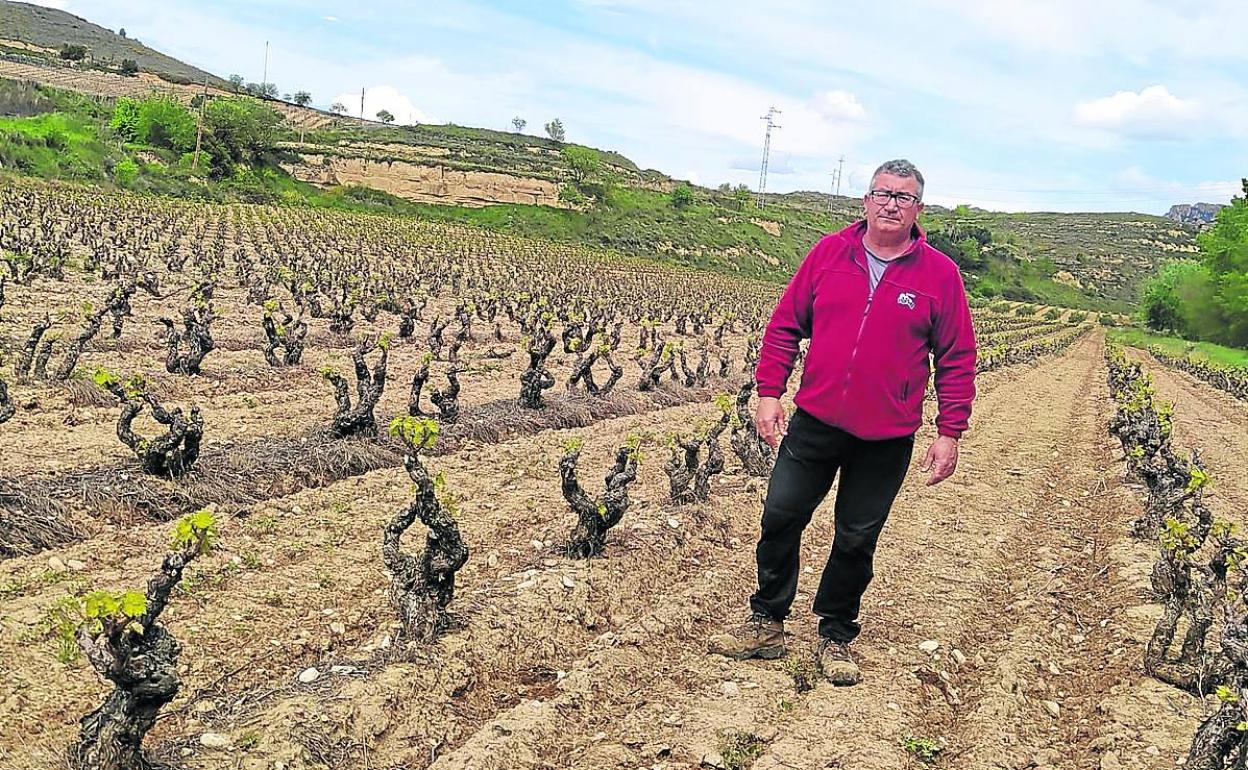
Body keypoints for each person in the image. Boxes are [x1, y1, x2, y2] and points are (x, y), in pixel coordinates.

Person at [708, 159, 977, 686]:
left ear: (918, 208)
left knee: (857, 537)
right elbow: (786, 326)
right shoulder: (829, 254)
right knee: (781, 515)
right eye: (882, 193)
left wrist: (950, 432)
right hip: (816, 420)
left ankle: (835, 634)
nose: (890, 203)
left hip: (887, 434)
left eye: (903, 196)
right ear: (866, 200)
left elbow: (956, 358)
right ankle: (766, 622)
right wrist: (769, 393)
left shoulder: (939, 275)